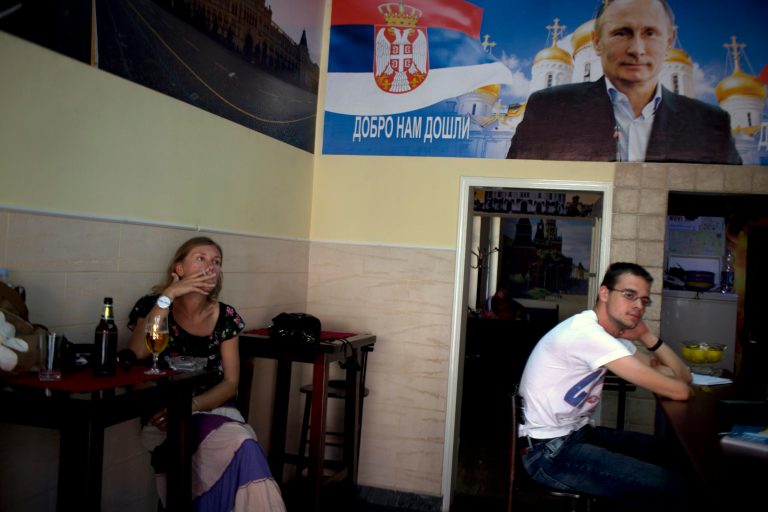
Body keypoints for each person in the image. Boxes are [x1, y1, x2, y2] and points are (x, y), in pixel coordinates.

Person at [518, 262, 693, 511]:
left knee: (672, 454)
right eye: (629, 295)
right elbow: (679, 390)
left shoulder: (606, 336)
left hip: (577, 435)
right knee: (675, 487)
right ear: (604, 293)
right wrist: (673, 377)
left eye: (644, 300)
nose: (639, 306)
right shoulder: (586, 334)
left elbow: (681, 377)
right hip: (548, 454)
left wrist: (646, 336)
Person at [127, 236, 286, 511]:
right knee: (242, 444)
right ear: (179, 268)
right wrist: (168, 295)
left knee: (243, 443)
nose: (210, 266)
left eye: (216, 262)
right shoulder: (152, 305)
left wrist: (189, 406)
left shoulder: (226, 316)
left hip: (212, 408)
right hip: (164, 415)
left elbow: (231, 382)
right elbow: (138, 352)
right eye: (200, 258)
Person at [507, 0, 741, 164]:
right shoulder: (548, 110)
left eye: (650, 33)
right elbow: (514, 188)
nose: (637, 50)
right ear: (597, 42)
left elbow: (736, 208)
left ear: (669, 42)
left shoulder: (710, 123)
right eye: (621, 33)